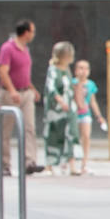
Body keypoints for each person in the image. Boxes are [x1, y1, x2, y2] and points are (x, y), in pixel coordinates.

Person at [0, 20, 44, 175]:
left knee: (29, 128)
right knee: (6, 132)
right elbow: (3, 72)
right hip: (10, 94)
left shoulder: (25, 49)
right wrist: (12, 91)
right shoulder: (7, 48)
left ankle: (29, 162)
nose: (34, 34)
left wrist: (32, 89)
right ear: (26, 32)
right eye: (33, 31)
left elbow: (23, 73)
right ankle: (4, 165)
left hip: (25, 93)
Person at [43, 41, 77, 174]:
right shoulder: (53, 69)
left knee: (71, 133)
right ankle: (50, 164)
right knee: (53, 134)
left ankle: (71, 163)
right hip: (56, 109)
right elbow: (51, 88)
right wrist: (60, 101)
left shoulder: (67, 70)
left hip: (69, 108)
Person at [71, 58, 106, 175]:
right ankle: (71, 163)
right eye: (80, 68)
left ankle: (84, 163)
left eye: (86, 68)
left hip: (85, 114)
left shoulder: (91, 85)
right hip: (74, 114)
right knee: (72, 138)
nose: (83, 71)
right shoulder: (72, 83)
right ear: (75, 70)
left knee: (86, 136)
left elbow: (92, 101)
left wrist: (99, 116)